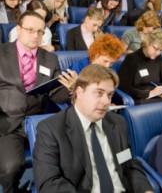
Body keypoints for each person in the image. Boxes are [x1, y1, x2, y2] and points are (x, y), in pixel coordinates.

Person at [33, 64, 154, 193]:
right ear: (79, 92)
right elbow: (49, 182)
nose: (106, 101)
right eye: (99, 93)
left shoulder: (118, 123)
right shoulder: (51, 129)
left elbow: (128, 164)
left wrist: (146, 190)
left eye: (109, 95)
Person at [0, 11, 67, 193]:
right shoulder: (2, 53)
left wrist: (70, 87)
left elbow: (56, 95)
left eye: (40, 31)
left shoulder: (50, 59)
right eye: (30, 30)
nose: (35, 35)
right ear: (18, 30)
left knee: (61, 161)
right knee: (11, 167)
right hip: (7, 122)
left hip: (37, 122)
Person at [119, 28, 162, 105]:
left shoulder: (158, 58)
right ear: (147, 42)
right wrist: (149, 93)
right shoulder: (131, 59)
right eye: (156, 48)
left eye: (161, 50)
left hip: (156, 96)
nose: (158, 53)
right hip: (138, 99)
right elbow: (124, 87)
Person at [59, 33, 123, 92]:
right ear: (96, 54)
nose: (107, 66)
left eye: (111, 63)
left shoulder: (111, 69)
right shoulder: (78, 67)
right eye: (105, 61)